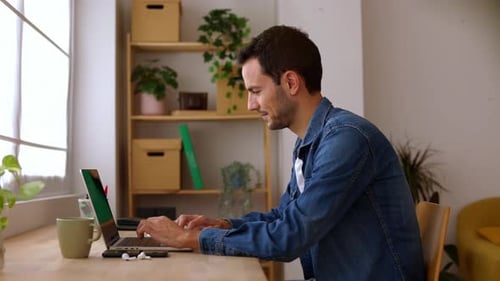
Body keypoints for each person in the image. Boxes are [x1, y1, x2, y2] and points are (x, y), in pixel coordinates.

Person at [137, 25, 425, 281]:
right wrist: (222, 224)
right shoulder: (311, 142)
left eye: (256, 91)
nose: (250, 104)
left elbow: (289, 238)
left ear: (290, 82)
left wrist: (191, 238)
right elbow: (284, 218)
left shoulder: (347, 140)